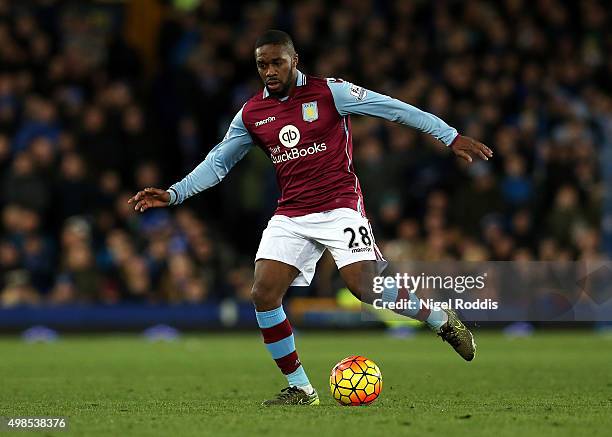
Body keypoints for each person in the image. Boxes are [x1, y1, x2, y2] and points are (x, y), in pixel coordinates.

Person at [129, 30, 493, 406]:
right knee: (263, 293)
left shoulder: (330, 92)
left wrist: (449, 136)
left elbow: (395, 108)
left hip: (340, 206)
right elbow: (218, 162)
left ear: (294, 59)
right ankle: (301, 389)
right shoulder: (252, 113)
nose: (269, 71)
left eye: (276, 62)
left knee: (363, 287)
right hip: (292, 213)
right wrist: (175, 193)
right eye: (261, 65)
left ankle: (438, 318)